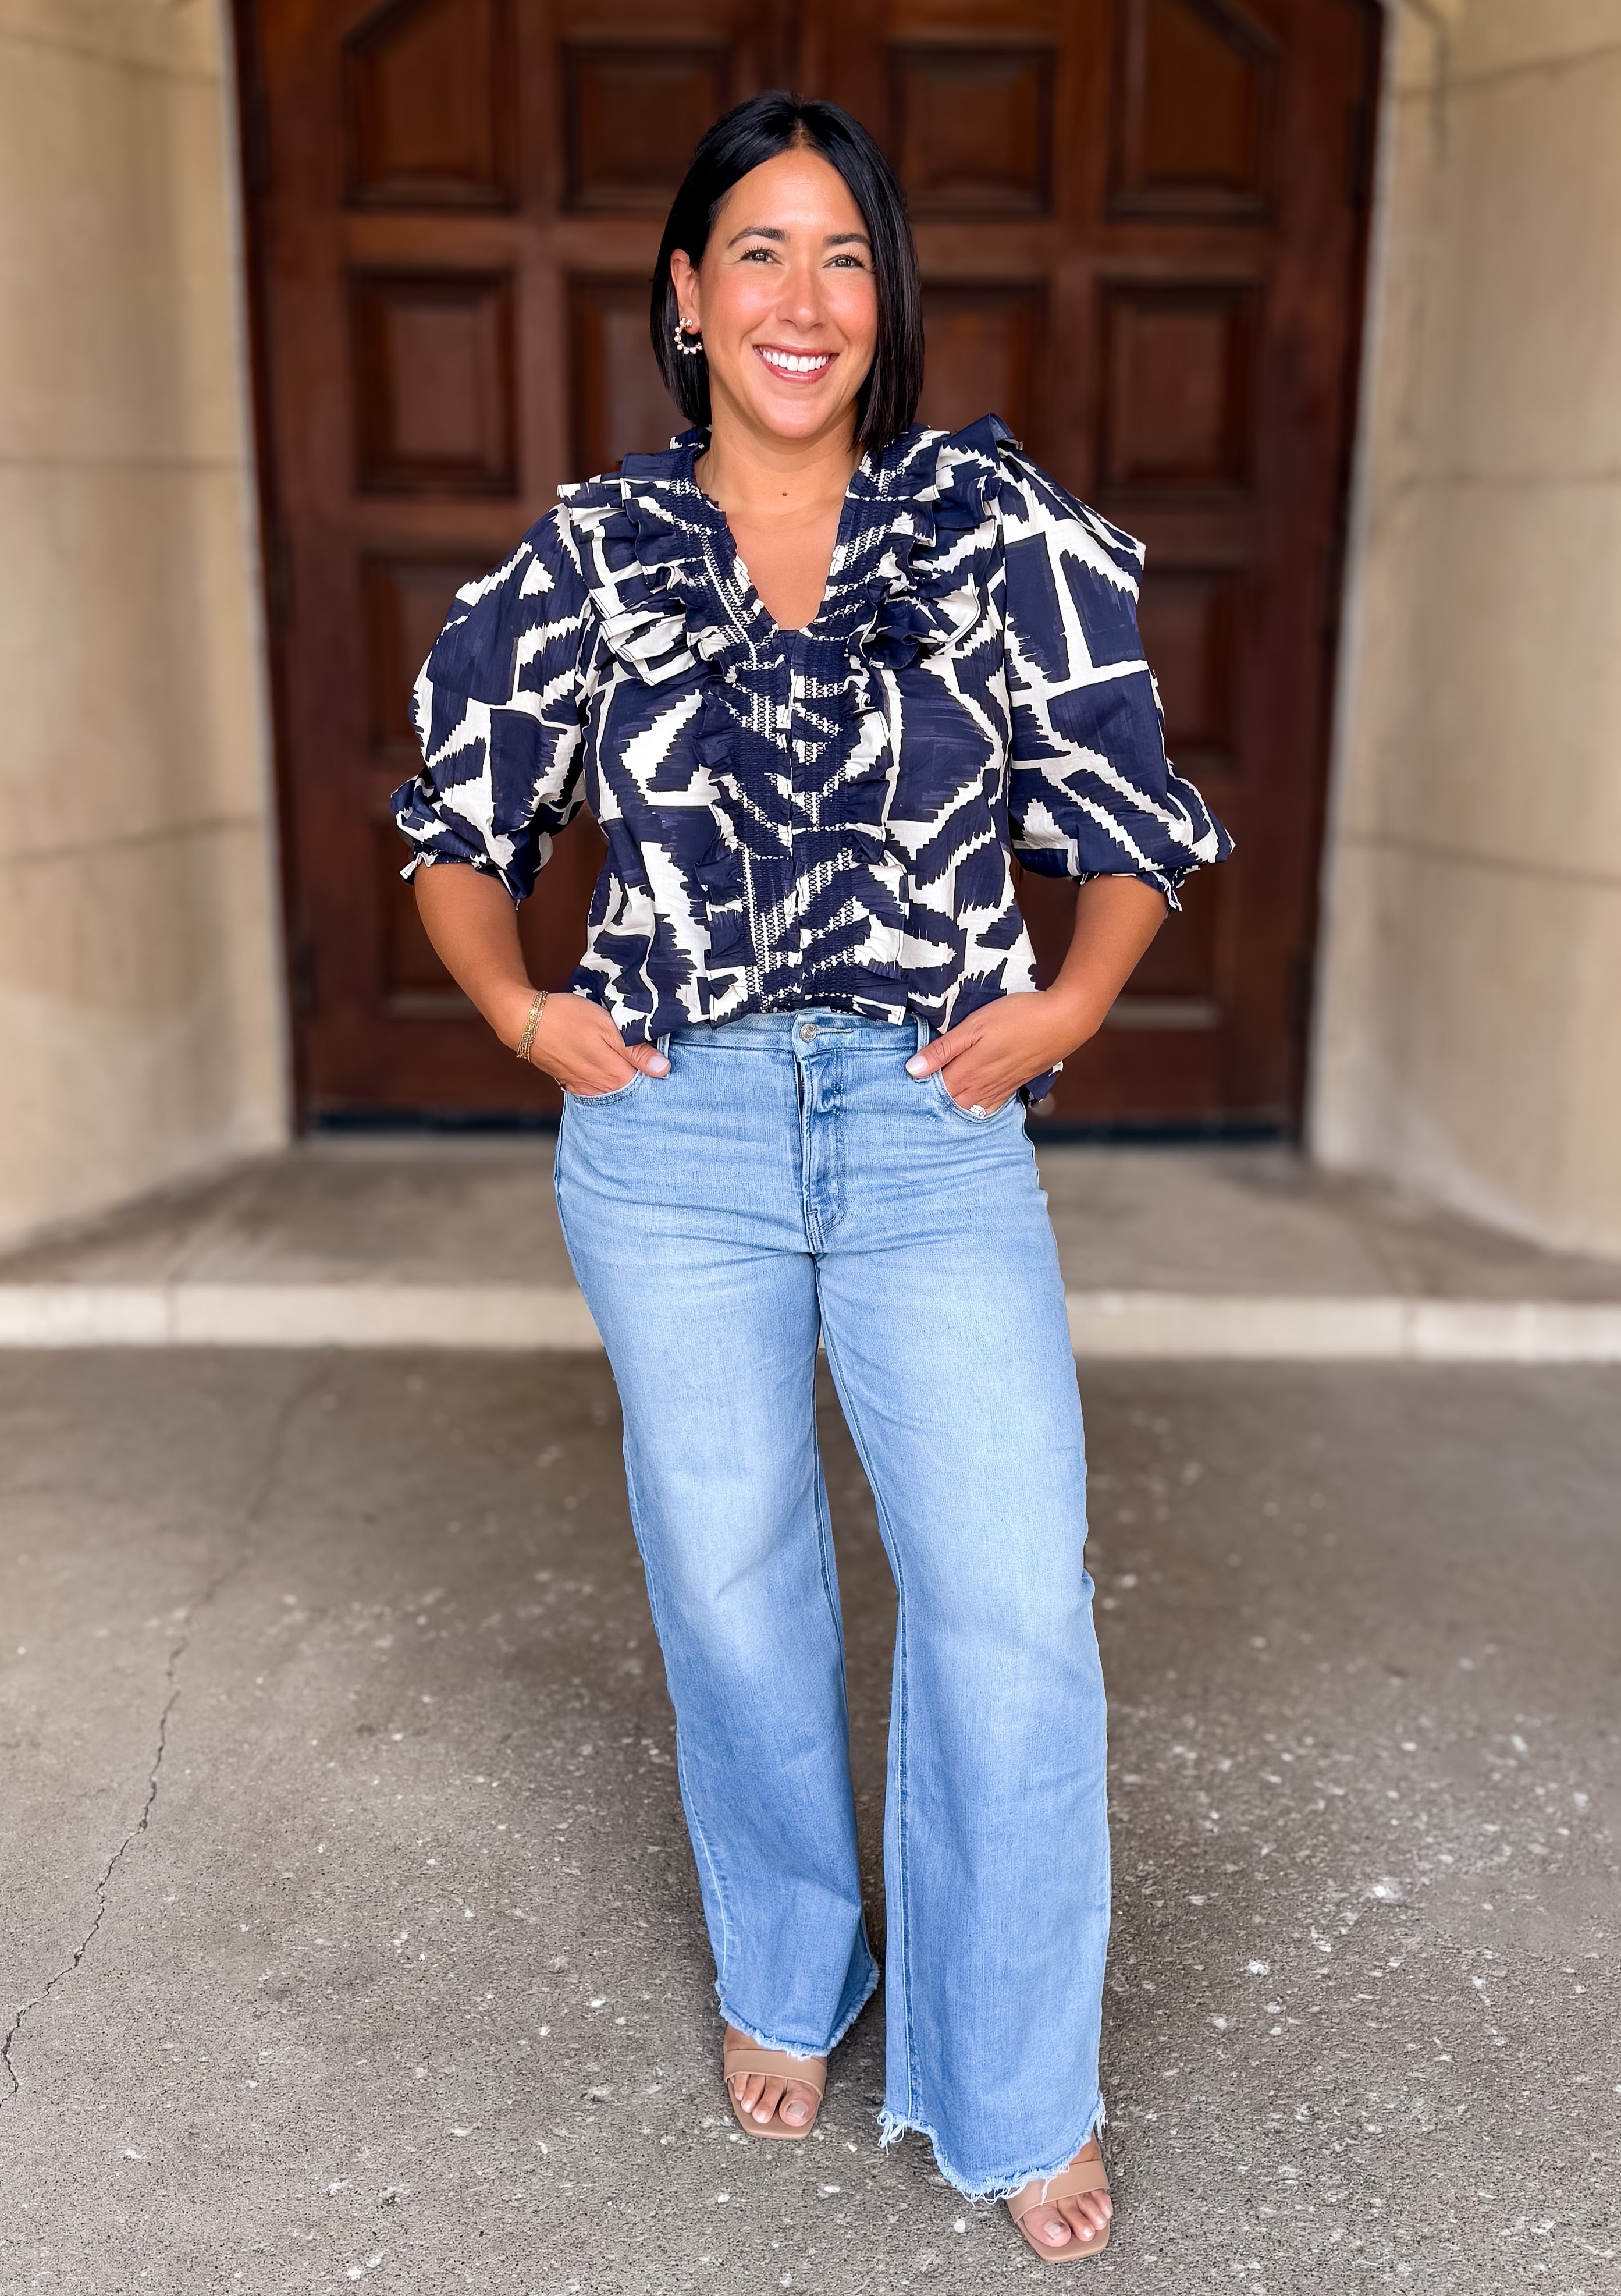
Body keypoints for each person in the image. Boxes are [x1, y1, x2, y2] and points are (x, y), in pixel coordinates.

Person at [393, 91, 1229, 2262]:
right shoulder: (588, 549)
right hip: (667, 1136)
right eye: (755, 253)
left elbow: (1132, 809)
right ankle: (794, 1964)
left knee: (1007, 1605)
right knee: (739, 1585)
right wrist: (513, 1012)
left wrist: (1063, 1007)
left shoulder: (986, 521)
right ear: (683, 297)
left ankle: (1015, 2076)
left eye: (841, 256)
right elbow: (452, 821)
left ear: (886, 303)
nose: (800, 298)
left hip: (928, 1124)